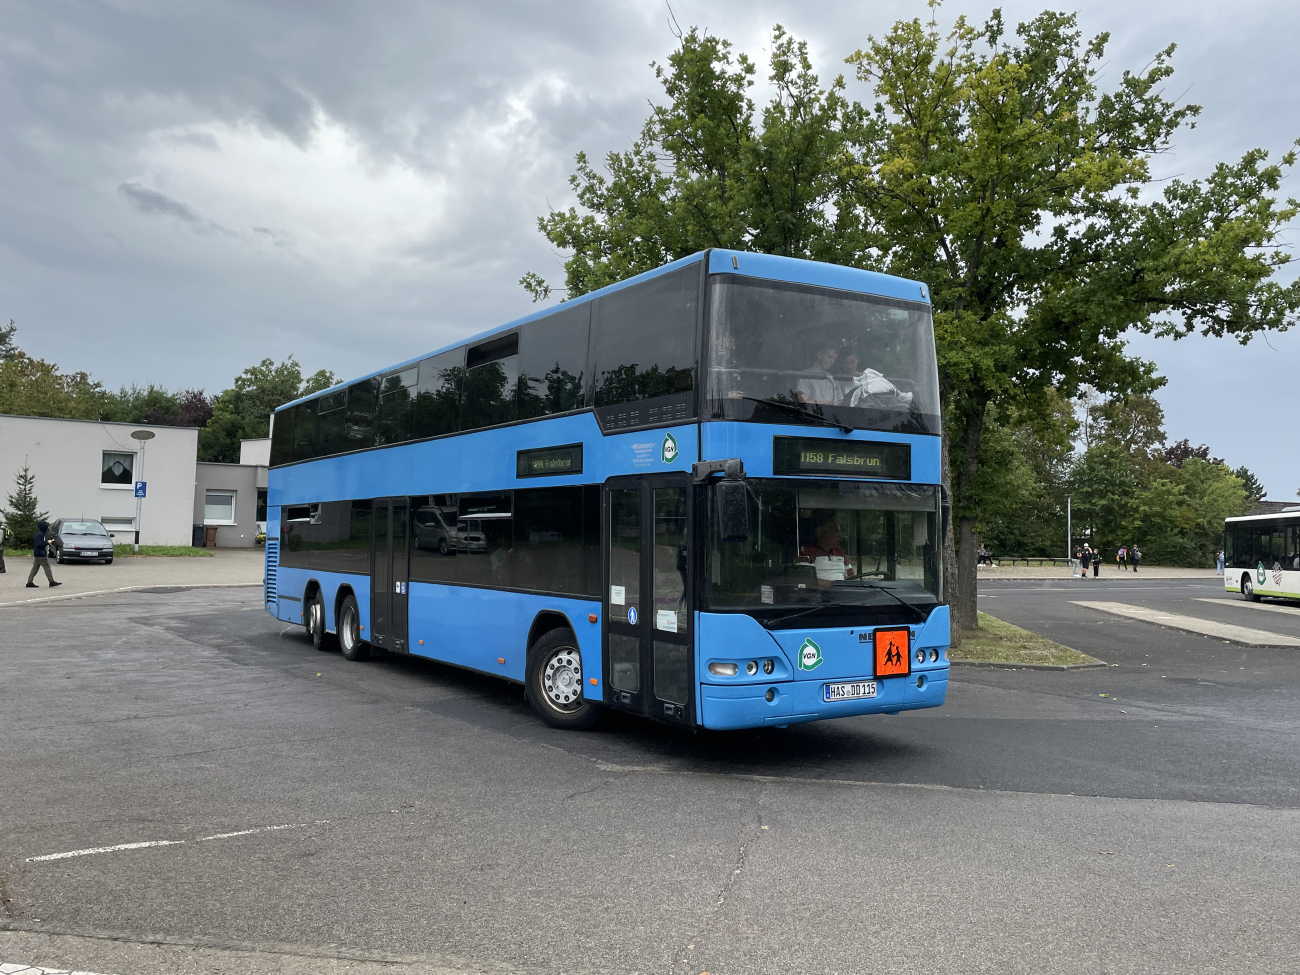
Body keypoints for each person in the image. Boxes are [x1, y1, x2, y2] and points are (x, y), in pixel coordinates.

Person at [797, 511, 857, 585]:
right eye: (834, 532)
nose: (838, 536)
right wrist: (834, 586)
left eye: (839, 532)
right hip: (817, 594)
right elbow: (806, 579)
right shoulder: (807, 550)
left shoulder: (839, 551)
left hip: (842, 593)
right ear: (821, 533)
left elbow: (852, 576)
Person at [26, 519, 62, 589]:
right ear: (43, 527)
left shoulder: (39, 533)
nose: (47, 528)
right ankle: (51, 581)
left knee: (35, 568)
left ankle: (29, 582)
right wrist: (47, 542)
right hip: (41, 554)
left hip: (37, 553)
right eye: (46, 527)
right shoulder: (40, 534)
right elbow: (39, 544)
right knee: (47, 567)